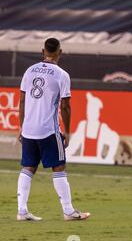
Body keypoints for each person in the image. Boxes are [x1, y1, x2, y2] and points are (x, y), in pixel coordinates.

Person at [17, 38, 90, 221]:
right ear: (60, 52)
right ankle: (68, 211)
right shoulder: (61, 74)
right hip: (48, 129)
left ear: (43, 51)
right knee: (59, 166)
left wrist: (21, 127)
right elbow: (65, 106)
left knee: (29, 167)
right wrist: (67, 130)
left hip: (28, 129)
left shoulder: (29, 71)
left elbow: (22, 101)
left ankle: (22, 211)